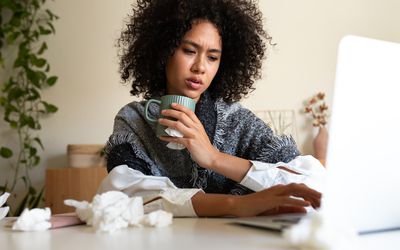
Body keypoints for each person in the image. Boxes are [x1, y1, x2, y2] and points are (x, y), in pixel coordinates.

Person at [99, 0, 325, 217]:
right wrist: (234, 205)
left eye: (212, 57)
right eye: (189, 51)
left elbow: (315, 184)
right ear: (163, 50)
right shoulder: (134, 119)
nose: (200, 67)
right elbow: (121, 192)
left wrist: (214, 158)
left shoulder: (236, 121)